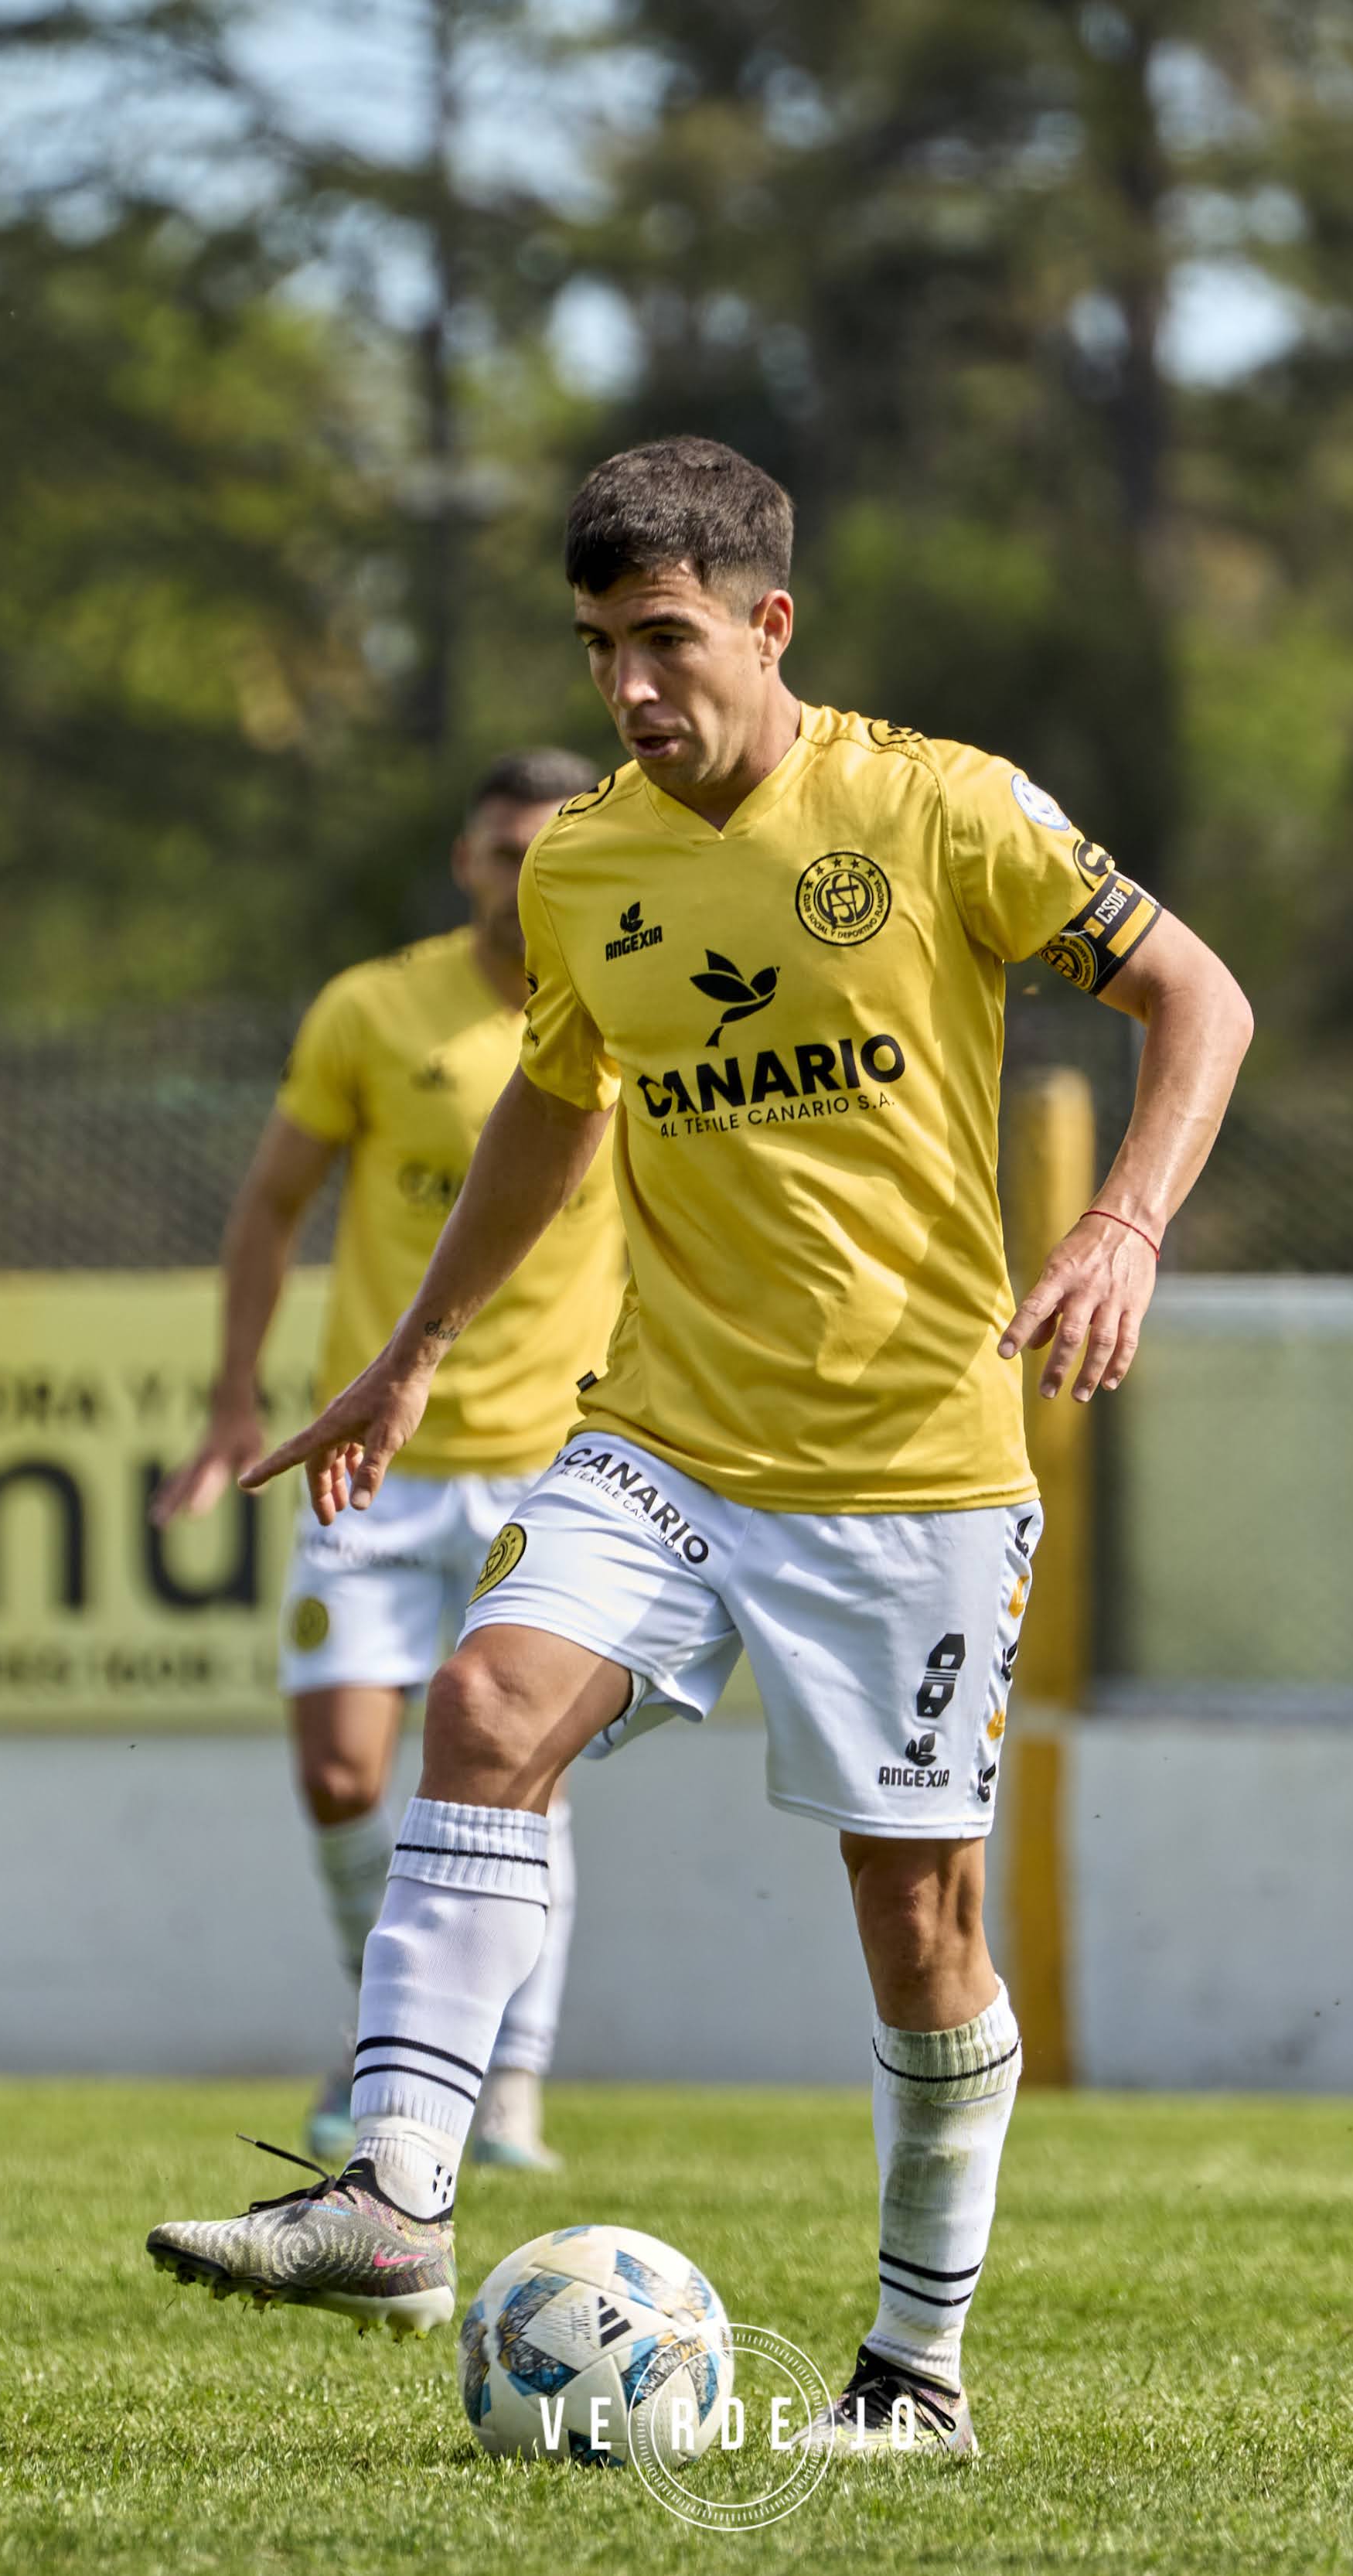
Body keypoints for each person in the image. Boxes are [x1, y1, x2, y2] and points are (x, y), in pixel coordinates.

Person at [143, 435, 1256, 2455]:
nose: (630, 690)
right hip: (659, 1436)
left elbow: (1200, 996)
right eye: (596, 650)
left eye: (663, 641)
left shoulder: (941, 809)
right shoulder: (584, 863)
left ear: (768, 622)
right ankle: (397, 2190)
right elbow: (553, 1113)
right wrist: (408, 1355)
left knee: (916, 1930)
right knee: (478, 1705)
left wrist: (1118, 1225)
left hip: (910, 1471)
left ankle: (913, 2373)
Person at [150, 749, 624, 2176]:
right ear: (464, 862)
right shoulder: (373, 1008)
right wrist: (237, 1396)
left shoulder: (636, 998)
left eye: (548, 850)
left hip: (552, 1463)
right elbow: (270, 1205)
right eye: (497, 850)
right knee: (346, 1774)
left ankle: (503, 2090)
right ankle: (406, 2044)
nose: (518, 874)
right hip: (378, 1459)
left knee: (510, 1776)